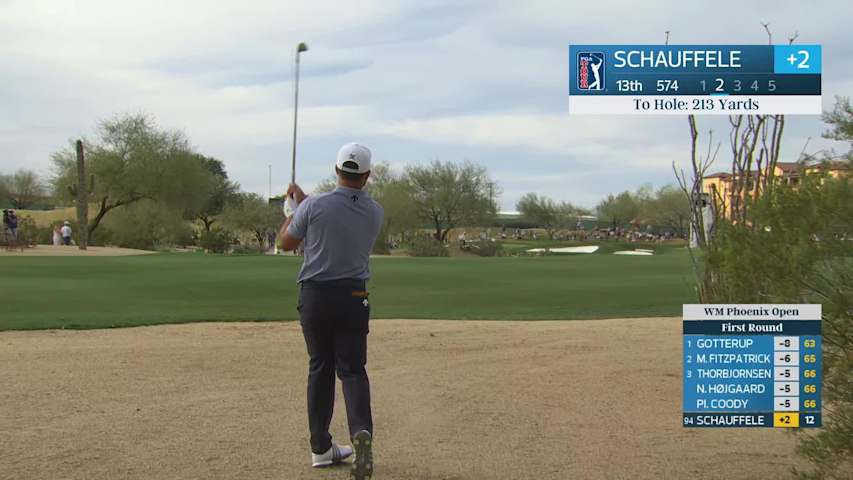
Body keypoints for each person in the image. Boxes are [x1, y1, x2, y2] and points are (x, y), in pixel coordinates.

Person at [278, 143, 383, 480]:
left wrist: (293, 213)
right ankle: (361, 431)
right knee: (353, 369)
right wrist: (304, 204)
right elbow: (338, 214)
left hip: (316, 295)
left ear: (335, 169)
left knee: (320, 367)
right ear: (366, 175)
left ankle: (321, 448)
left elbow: (286, 243)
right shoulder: (374, 212)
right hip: (355, 295)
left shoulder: (315, 207)